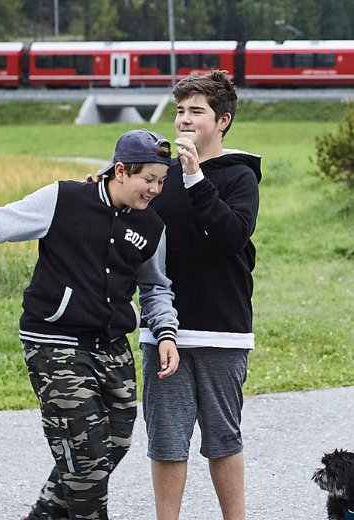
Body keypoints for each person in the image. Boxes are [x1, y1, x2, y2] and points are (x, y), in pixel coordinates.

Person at [0, 129, 181, 520]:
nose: (154, 189)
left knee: (114, 443)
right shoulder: (64, 200)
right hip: (55, 341)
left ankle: (44, 515)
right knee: (86, 463)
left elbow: (154, 288)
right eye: (147, 180)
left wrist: (166, 332)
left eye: (162, 182)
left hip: (112, 345)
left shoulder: (151, 228)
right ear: (120, 171)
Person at [139, 71, 260, 520]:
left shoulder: (240, 177)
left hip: (221, 327)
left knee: (222, 438)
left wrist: (194, 178)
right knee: (167, 441)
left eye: (197, 112)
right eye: (180, 111)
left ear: (222, 120)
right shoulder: (161, 174)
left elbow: (230, 235)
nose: (184, 120)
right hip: (163, 328)